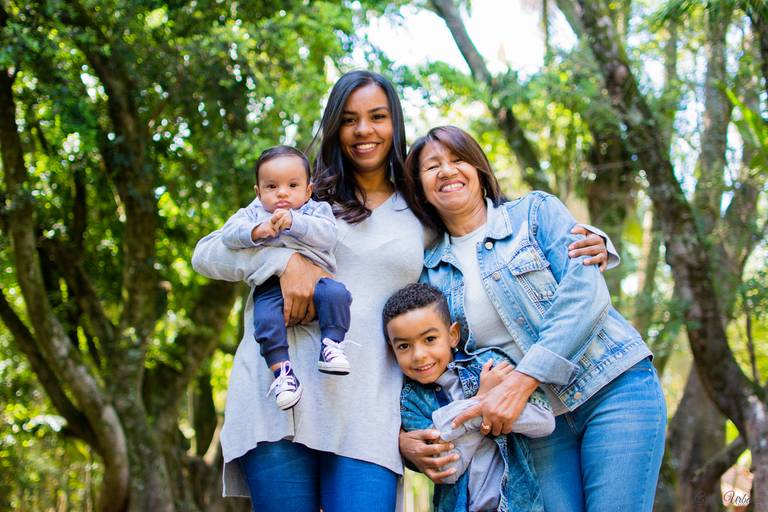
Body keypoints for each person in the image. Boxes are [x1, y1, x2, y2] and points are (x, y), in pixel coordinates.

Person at [192, 71, 612, 512]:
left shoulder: (419, 211)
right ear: (334, 125)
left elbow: (486, 241)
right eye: (350, 119)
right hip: (281, 397)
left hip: (370, 413)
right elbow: (208, 254)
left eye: (377, 116)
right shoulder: (302, 195)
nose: (363, 130)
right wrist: (284, 261)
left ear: (395, 124)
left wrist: (592, 241)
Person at [400, 125, 666, 512]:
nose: (447, 171)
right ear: (420, 187)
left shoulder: (535, 213)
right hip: (536, 429)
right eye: (432, 166)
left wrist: (522, 381)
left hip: (612, 386)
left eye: (458, 159)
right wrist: (406, 440)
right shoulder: (430, 273)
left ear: (478, 169)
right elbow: (430, 360)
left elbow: (586, 295)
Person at [384, 282, 554, 512]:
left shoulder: (489, 364)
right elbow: (448, 471)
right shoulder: (410, 402)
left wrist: (463, 420)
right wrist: (482, 401)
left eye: (430, 339)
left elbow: (544, 421)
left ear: (453, 335)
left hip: (517, 505)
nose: (419, 355)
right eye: (404, 346)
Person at [219, 145, 353, 410]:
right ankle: (282, 373)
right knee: (265, 321)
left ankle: (332, 344)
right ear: (258, 192)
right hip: (270, 286)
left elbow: (328, 236)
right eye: (271, 186)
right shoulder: (253, 214)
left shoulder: (316, 211)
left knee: (338, 295)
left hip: (318, 280)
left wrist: (294, 222)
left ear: (308, 190)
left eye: (293, 185)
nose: (282, 192)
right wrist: (257, 231)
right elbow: (227, 234)